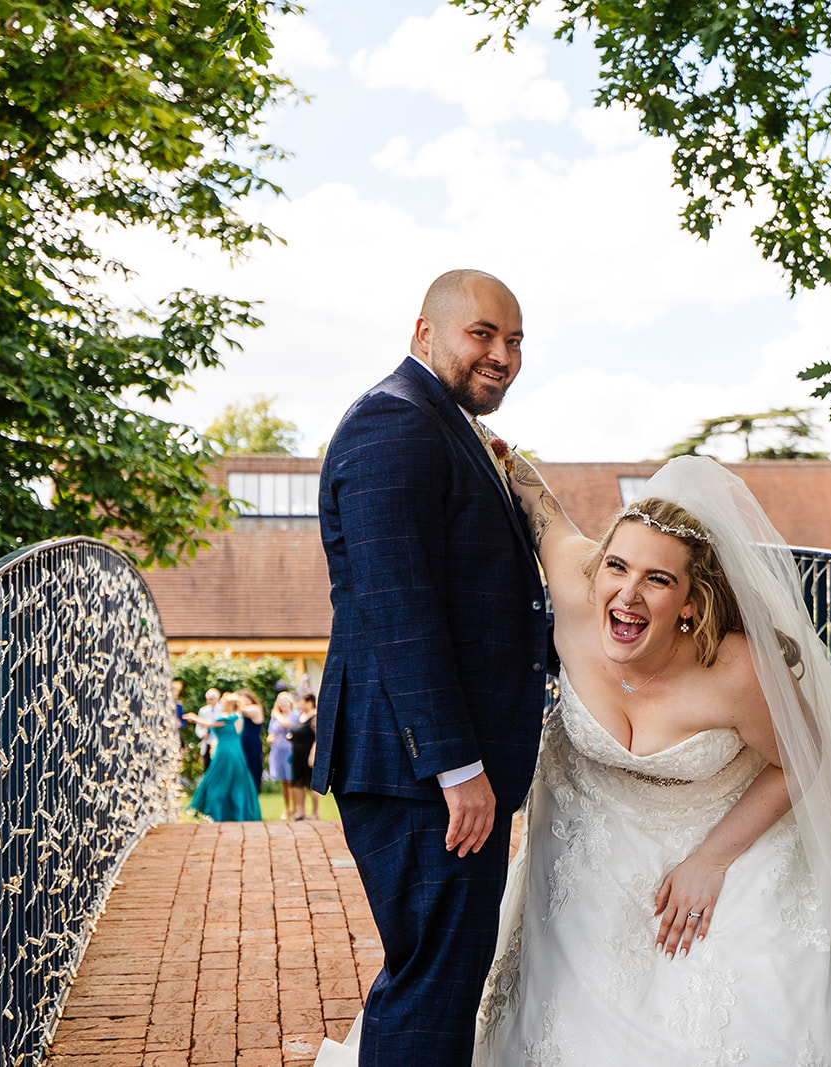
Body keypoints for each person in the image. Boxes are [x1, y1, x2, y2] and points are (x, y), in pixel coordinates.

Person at [472, 455, 831, 1066]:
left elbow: (801, 758)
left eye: (657, 579)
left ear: (690, 602)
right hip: (587, 845)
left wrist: (711, 859)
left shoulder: (736, 670)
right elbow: (540, 506)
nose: (627, 593)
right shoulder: (578, 594)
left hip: (720, 831)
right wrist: (491, 442)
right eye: (617, 566)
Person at [313, 269, 552, 1066]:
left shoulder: (442, 424)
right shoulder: (395, 423)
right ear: (425, 334)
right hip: (422, 769)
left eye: (513, 340)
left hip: (434, 766)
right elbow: (399, 609)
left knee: (440, 977)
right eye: (481, 334)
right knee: (432, 983)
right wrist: (457, 766)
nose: (502, 355)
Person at [184, 693, 263, 822]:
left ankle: (217, 812)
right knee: (235, 782)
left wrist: (194, 718)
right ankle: (233, 812)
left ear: (229, 705)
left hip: (226, 753)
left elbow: (209, 724)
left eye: (224, 703)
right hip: (235, 752)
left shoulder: (230, 718)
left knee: (218, 781)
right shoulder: (238, 717)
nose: (222, 706)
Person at [288, 693, 319, 820]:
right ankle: (300, 811)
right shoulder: (301, 716)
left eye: (303, 702)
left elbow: (318, 737)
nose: (302, 705)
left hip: (308, 753)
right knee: (297, 782)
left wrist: (313, 754)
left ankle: (315, 812)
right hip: (297, 754)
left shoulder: (315, 716)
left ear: (310, 702)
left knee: (310, 783)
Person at [268, 691, 300, 804]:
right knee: (284, 781)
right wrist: (270, 738)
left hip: (291, 750)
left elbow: (288, 724)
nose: (284, 704)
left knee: (292, 779)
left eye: (286, 701)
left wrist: (277, 715)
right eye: (281, 702)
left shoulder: (295, 715)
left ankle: (296, 807)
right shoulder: (275, 718)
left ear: (290, 702)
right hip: (278, 750)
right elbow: (272, 732)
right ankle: (288, 809)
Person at [235, 688, 267, 791]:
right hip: (240, 744)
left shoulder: (255, 709)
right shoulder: (238, 713)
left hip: (251, 744)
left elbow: (242, 710)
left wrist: (234, 703)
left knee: (252, 769)